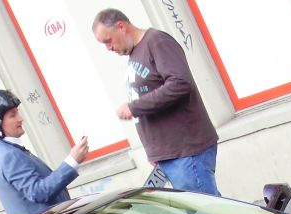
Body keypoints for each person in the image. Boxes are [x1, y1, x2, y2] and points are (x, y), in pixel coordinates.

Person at [92, 8, 220, 196]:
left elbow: (180, 83)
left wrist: (134, 108)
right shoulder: (135, 53)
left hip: (186, 150)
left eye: (108, 40)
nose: (108, 48)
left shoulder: (157, 42)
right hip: (170, 154)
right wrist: (155, 152)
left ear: (121, 26)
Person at [0, 88, 90, 214]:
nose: (20, 119)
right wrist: (72, 161)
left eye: (17, 113)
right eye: (13, 115)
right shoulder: (9, 155)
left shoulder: (2, 151)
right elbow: (38, 192)